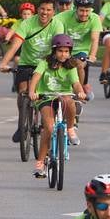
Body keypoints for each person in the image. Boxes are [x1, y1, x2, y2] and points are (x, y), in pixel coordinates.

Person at [0, 0, 59, 140]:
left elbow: (59, 48)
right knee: (22, 92)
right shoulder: (27, 24)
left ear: (53, 12)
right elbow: (15, 46)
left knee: (49, 93)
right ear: (37, 10)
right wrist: (4, 63)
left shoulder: (58, 25)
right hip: (27, 62)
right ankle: (22, 124)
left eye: (49, 10)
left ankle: (49, 123)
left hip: (47, 63)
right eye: (42, 9)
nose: (45, 13)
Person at [28, 34, 86, 175]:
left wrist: (81, 92)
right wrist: (32, 91)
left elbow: (76, 84)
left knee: (69, 100)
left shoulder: (71, 66)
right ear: (54, 51)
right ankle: (40, 163)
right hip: (46, 98)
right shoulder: (45, 63)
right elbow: (36, 77)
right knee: (48, 127)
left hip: (64, 96)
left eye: (66, 51)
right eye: (60, 51)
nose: (63, 54)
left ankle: (70, 129)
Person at [53, 0, 102, 96]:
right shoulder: (62, 17)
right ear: (75, 9)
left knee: (79, 64)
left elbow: (94, 39)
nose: (84, 14)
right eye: (81, 11)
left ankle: (79, 91)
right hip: (64, 49)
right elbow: (55, 34)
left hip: (81, 51)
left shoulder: (95, 19)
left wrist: (92, 55)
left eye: (87, 11)